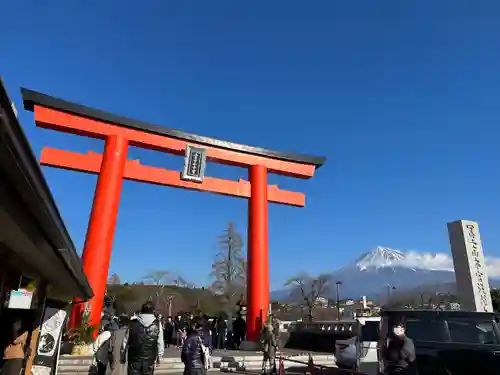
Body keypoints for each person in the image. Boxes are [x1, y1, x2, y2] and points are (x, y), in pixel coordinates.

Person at [121, 302, 165, 375]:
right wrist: (159, 357)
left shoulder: (132, 323)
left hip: (134, 358)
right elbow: (160, 342)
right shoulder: (157, 324)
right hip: (149, 359)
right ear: (153, 311)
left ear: (142, 310)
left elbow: (125, 341)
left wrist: (123, 356)